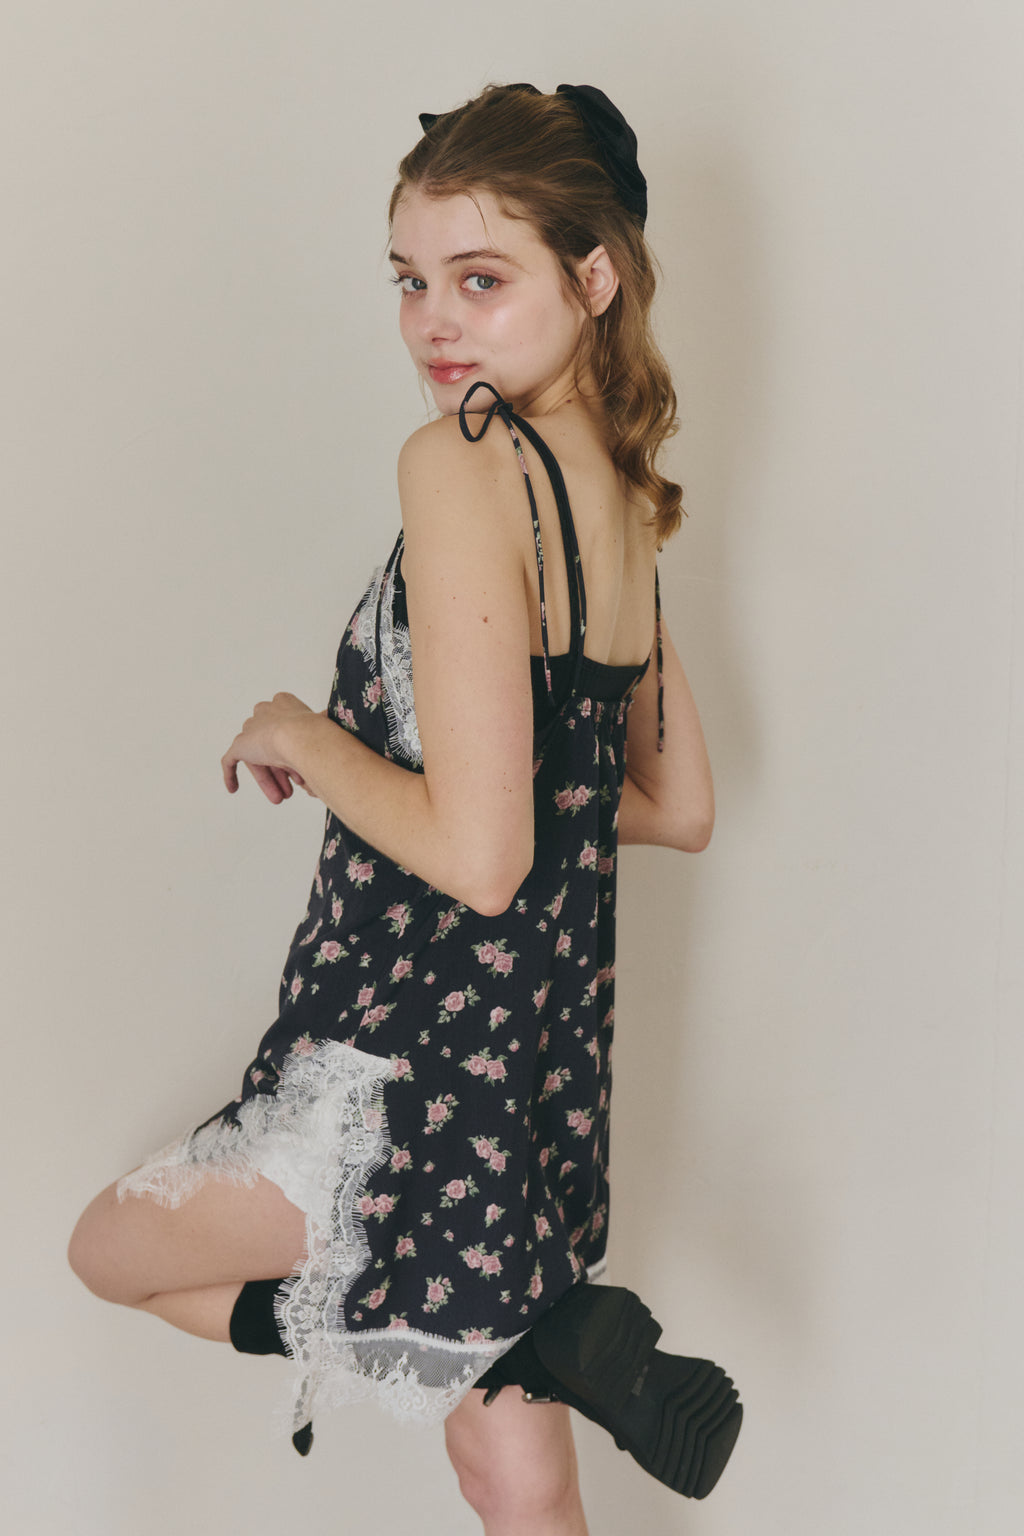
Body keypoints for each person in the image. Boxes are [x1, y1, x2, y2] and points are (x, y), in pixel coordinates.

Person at [68, 83, 740, 1533]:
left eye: (480, 279)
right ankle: (515, 1334)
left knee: (109, 1249)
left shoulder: (463, 464)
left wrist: (305, 737)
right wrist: (499, 806)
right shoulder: (621, 496)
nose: (435, 323)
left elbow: (482, 861)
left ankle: (521, 1334)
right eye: (410, 281)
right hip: (533, 1066)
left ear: (595, 278)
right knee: (513, 1480)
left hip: (405, 1057)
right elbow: (673, 804)